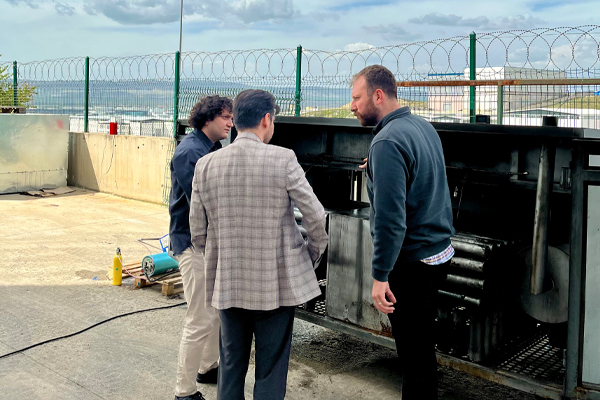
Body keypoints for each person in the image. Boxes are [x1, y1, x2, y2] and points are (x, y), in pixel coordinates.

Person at [189, 89, 328, 400]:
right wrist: (308, 258)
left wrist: (219, 258)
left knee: (230, 365)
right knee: (271, 370)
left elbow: (197, 232)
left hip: (228, 285)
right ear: (267, 119)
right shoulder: (283, 159)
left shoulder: (206, 165)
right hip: (275, 287)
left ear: (237, 120)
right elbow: (316, 217)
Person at [350, 65, 454, 400]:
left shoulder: (387, 141)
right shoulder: (421, 127)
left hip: (411, 265)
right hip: (438, 253)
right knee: (423, 352)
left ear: (378, 96)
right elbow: (421, 178)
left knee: (415, 361)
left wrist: (380, 275)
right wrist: (379, 167)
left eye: (357, 98)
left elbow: (391, 220)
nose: (352, 106)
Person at [169, 95, 234, 400]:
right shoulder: (189, 152)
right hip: (193, 243)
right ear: (208, 119)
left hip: (210, 244)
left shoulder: (211, 148)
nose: (230, 123)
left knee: (215, 312)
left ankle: (207, 367)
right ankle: (184, 392)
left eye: (232, 118)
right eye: (225, 117)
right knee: (199, 317)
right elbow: (203, 202)